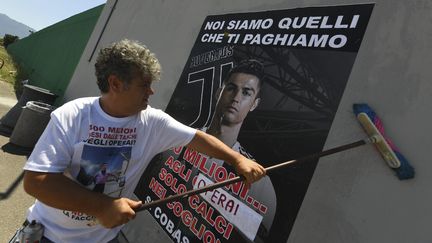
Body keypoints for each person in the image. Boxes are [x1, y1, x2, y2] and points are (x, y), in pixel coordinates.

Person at [22, 39, 265, 243]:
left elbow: (197, 138)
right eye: (144, 85)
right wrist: (101, 206)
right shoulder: (72, 116)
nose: (151, 92)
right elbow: (37, 182)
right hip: (49, 236)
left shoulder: (152, 122)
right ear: (116, 83)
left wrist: (236, 159)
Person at [204, 59, 277, 242]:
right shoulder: (178, 140)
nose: (236, 97)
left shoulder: (261, 185)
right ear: (219, 92)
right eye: (231, 88)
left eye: (246, 93)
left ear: (254, 104)